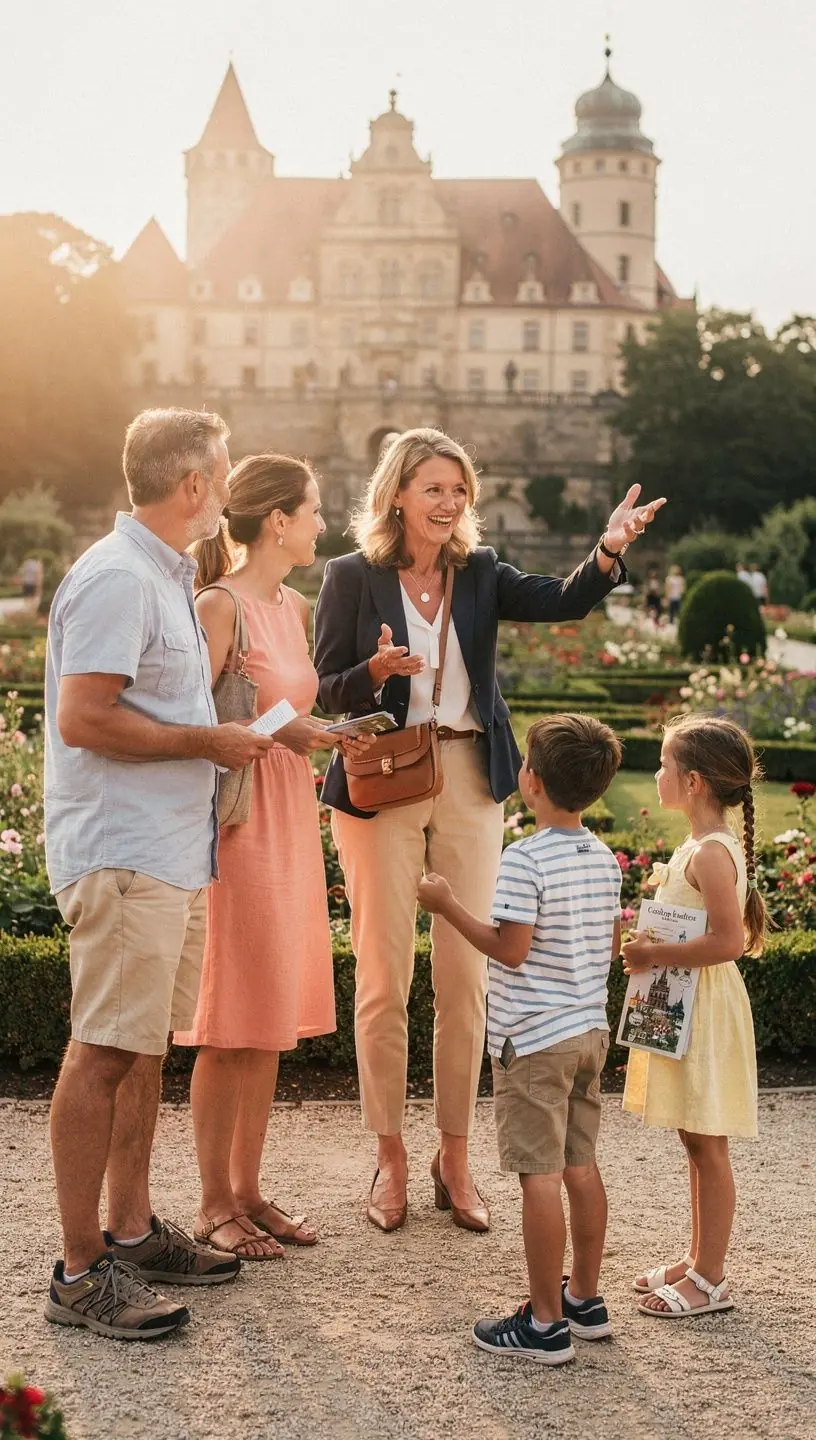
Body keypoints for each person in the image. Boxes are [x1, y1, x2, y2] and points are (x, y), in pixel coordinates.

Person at [313, 426, 665, 1235]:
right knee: (382, 981)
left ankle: (455, 1157)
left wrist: (607, 550)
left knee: (467, 982)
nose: (450, 502)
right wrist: (374, 673)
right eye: (434, 487)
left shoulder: (479, 574)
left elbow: (561, 598)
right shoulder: (349, 576)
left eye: (460, 489)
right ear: (398, 492)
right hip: (381, 783)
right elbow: (325, 688)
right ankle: (391, 1158)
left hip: (472, 782)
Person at [43, 408, 282, 1341]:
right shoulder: (115, 577)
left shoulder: (165, 573)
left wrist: (251, 733)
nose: (225, 492)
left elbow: (158, 702)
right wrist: (208, 741)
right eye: (220, 477)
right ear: (191, 488)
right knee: (103, 1050)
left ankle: (133, 1233)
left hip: (169, 849)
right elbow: (84, 719)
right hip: (123, 851)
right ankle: (77, 1273)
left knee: (142, 1048)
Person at [175, 454, 366, 1258]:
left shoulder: (292, 604)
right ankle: (214, 1201)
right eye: (315, 510)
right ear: (278, 520)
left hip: (287, 813)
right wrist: (275, 732)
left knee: (267, 1022)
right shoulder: (219, 606)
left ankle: (248, 1189)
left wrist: (327, 725)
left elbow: (288, 709)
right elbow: (183, 729)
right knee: (231, 1021)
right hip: (239, 824)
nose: (324, 523)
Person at [419, 714, 624, 1365]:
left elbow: (511, 950)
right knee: (579, 1165)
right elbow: (607, 948)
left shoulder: (523, 858)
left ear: (529, 781)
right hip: (589, 1033)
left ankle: (543, 1324)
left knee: (538, 1176)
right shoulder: (604, 859)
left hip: (533, 1042)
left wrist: (449, 906)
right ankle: (583, 1300)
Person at [622, 714, 765, 1319]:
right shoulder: (697, 847)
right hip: (685, 1005)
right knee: (693, 1136)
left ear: (695, 781)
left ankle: (711, 1277)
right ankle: (697, 1254)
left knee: (708, 1143)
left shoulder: (710, 854)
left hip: (702, 1007)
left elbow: (729, 942)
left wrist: (654, 953)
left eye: (664, 764)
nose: (658, 774)